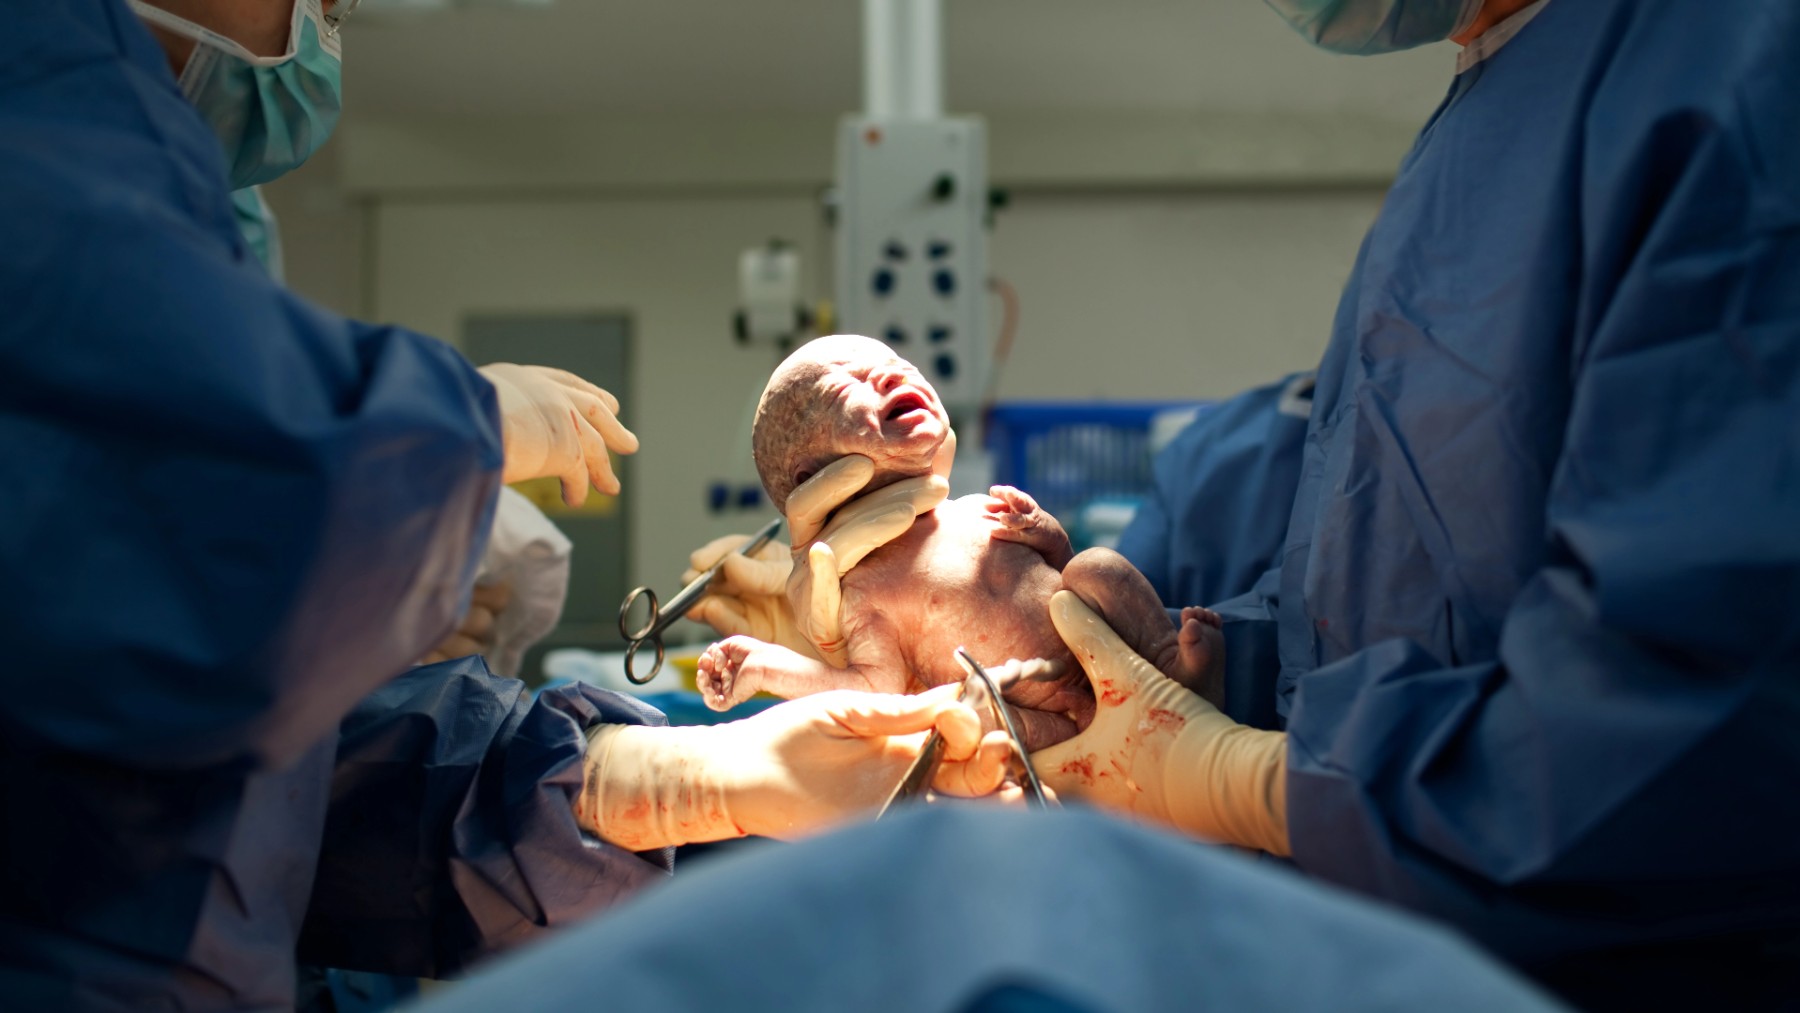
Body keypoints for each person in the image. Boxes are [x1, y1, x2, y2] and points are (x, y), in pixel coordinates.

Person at [692, 0, 1800, 1006]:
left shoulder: (1724, 77)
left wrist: (1260, 782)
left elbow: (1700, 713)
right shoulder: (1494, 111)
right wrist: (1212, 668)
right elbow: (1388, 588)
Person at [0, 2, 1007, 1008]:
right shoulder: (46, 98)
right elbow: (237, 536)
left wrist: (653, 779)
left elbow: (280, 791)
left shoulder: (132, 161)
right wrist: (452, 427)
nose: (319, 27)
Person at [692, 335, 1220, 754]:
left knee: (1097, 568)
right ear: (811, 478)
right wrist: (765, 667)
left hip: (1116, 656)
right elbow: (876, 692)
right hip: (1053, 722)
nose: (888, 373)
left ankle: (1171, 663)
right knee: (976, 723)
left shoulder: (971, 508)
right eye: (843, 387)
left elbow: (1058, 564)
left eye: (896, 360)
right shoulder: (861, 590)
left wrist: (1040, 529)